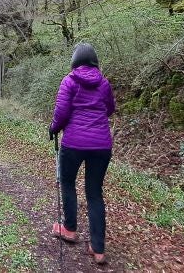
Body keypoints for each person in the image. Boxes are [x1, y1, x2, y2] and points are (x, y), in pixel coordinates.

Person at [48, 42, 116, 265]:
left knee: (67, 184)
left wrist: (54, 128)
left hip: (74, 143)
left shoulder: (69, 81)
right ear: (95, 61)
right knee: (95, 193)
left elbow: (62, 111)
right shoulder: (104, 83)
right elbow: (110, 109)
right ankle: (98, 249)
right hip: (101, 145)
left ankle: (69, 229)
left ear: (74, 61)